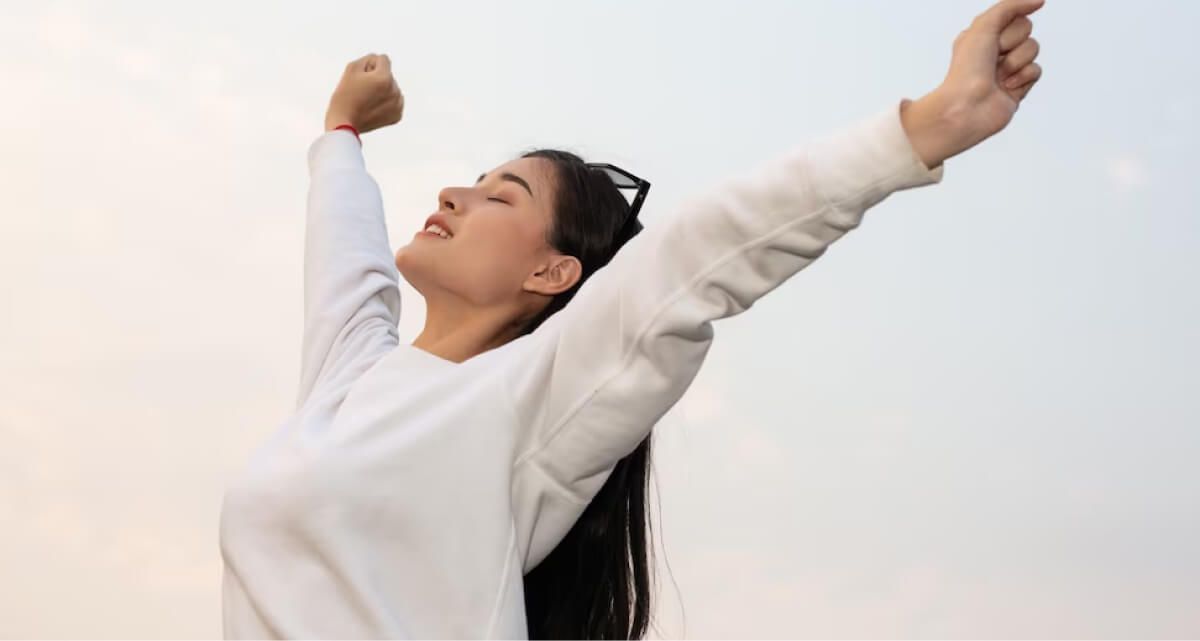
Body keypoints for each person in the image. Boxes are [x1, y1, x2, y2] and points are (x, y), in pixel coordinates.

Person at [218, 0, 1045, 638]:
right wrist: (341, 134)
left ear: (554, 271)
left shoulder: (529, 405)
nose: (451, 195)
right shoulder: (348, 377)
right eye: (471, 181)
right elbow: (345, 257)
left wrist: (927, 127)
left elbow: (695, 255)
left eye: (502, 194)